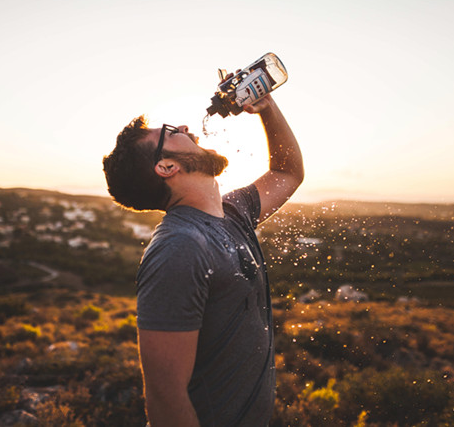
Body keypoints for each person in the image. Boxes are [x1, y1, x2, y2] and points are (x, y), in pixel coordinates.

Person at [102, 93, 303, 426]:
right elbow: (165, 399)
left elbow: (287, 172)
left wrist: (266, 106)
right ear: (167, 167)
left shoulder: (232, 213)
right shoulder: (179, 248)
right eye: (170, 131)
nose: (184, 126)